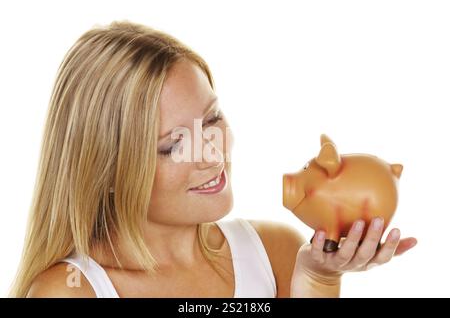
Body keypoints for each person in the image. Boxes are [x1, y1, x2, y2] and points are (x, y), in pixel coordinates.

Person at [9, 20, 417, 298]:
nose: (212, 151)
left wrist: (319, 279)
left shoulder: (276, 252)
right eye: (173, 145)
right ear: (106, 171)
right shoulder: (73, 288)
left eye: (213, 119)